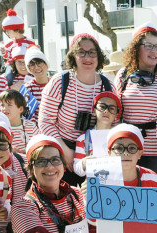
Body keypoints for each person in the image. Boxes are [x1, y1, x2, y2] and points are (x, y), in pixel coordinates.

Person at [39, 33, 116, 187]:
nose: (87, 57)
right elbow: (45, 122)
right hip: (61, 152)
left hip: (95, 156)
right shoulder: (60, 82)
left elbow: (114, 123)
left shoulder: (108, 86)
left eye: (92, 52)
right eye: (81, 52)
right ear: (73, 56)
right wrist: (66, 152)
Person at [115, 22, 157, 188]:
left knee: (155, 202)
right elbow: (115, 114)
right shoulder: (122, 75)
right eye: (148, 46)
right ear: (136, 48)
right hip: (128, 152)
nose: (154, 51)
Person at [73, 91, 121, 177]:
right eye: (102, 107)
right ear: (94, 110)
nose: (106, 111)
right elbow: (77, 169)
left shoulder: (120, 138)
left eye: (112, 108)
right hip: (93, 185)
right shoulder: (83, 138)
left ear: (116, 115)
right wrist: (84, 163)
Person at [0, 89, 39, 154]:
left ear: (20, 109)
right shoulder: (0, 128)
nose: (4, 109)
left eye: (9, 105)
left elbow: (40, 144)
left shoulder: (31, 126)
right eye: (2, 105)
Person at [24, 45, 51, 124]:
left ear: (46, 64)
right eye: (32, 65)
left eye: (39, 63)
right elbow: (27, 118)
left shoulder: (57, 83)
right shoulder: (27, 89)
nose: (36, 67)